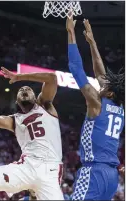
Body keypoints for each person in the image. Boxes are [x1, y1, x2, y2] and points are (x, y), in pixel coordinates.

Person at [0, 68, 64, 200]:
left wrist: (19, 77)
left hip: (50, 172)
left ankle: (33, 194)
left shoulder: (45, 105)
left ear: (35, 96)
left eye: (28, 89)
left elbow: (52, 78)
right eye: (21, 90)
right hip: (27, 167)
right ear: (17, 101)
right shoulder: (15, 119)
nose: (24, 90)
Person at [66, 16, 124, 200]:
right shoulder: (121, 109)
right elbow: (101, 73)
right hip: (111, 177)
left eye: (104, 86)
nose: (101, 84)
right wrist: (92, 42)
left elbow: (76, 68)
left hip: (94, 172)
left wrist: (70, 32)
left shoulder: (96, 103)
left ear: (110, 93)